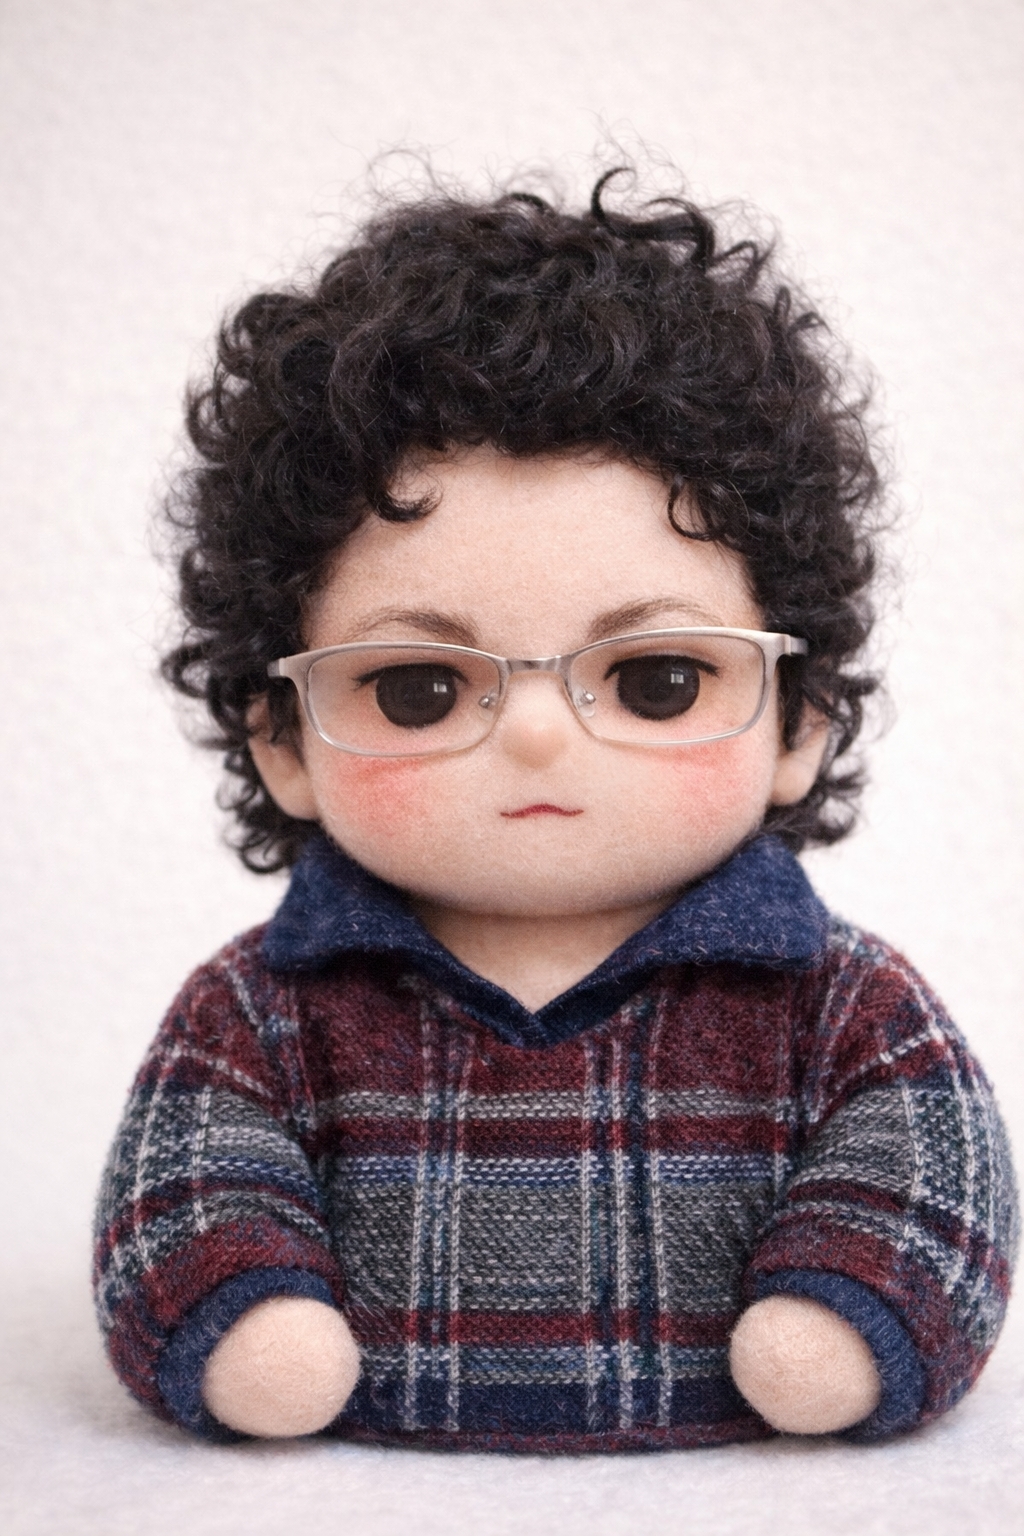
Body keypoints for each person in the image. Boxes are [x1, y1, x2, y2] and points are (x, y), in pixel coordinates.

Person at [93, 170, 1018, 1450]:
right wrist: (237, 1318)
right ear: (283, 741)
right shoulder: (263, 1011)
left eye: (655, 679)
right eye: (419, 688)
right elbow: (181, 1186)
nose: (535, 733)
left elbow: (934, 1167)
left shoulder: (837, 1003)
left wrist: (857, 1310)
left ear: (798, 720)